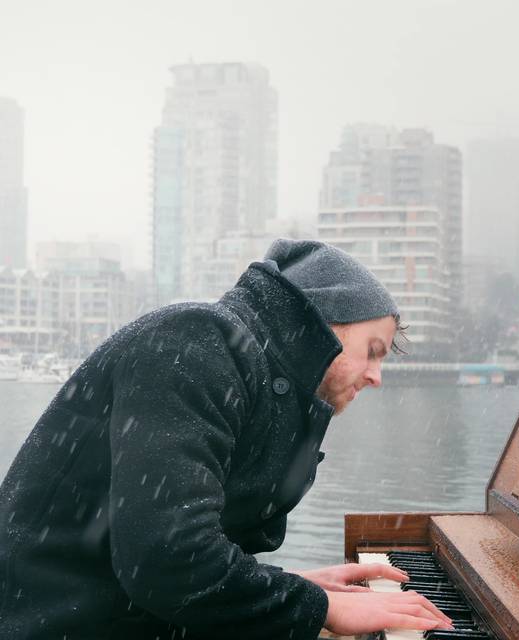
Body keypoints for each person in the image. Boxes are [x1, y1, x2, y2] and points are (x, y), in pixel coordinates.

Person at [0, 239, 454, 639]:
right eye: (373, 351)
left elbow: (177, 554)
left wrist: (296, 590)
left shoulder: (246, 370)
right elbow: (167, 560)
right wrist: (320, 606)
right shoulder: (195, 342)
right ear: (321, 324)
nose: (376, 377)